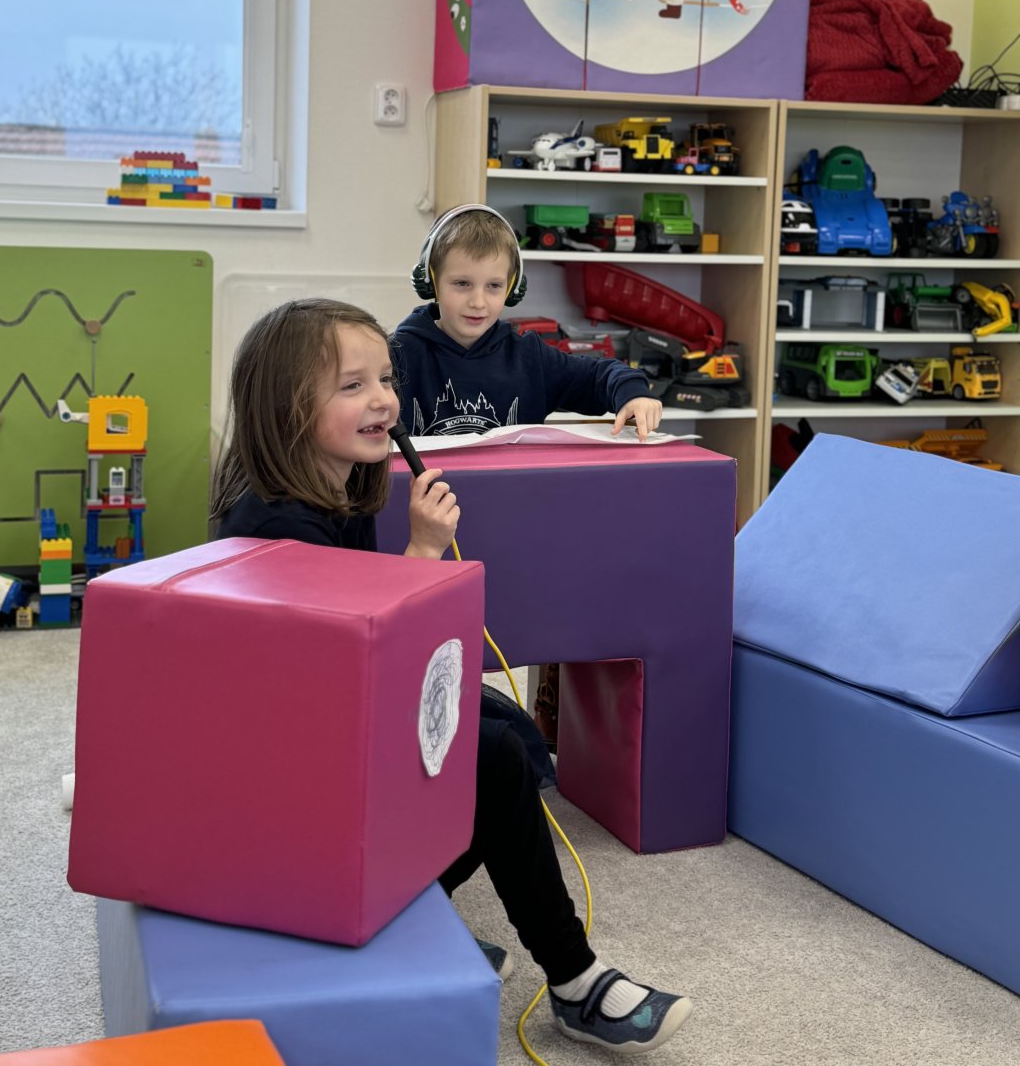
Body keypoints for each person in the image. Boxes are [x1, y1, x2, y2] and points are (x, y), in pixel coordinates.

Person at [210, 298, 693, 1055]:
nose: (384, 400)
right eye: (353, 386)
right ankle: (573, 979)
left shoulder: (335, 486)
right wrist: (423, 554)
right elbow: (352, 661)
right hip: (294, 764)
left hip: (327, 728)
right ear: (287, 407)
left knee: (511, 732)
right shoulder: (276, 524)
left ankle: (403, 916)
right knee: (493, 756)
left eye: (386, 379)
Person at [392, 204, 664, 744]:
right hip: (426, 532)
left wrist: (632, 394)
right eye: (462, 284)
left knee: (536, 619)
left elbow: (602, 374)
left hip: (514, 531)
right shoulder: (399, 354)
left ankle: (542, 714)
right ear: (431, 281)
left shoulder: (528, 355)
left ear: (512, 288)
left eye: (494, 286)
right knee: (434, 649)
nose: (478, 301)